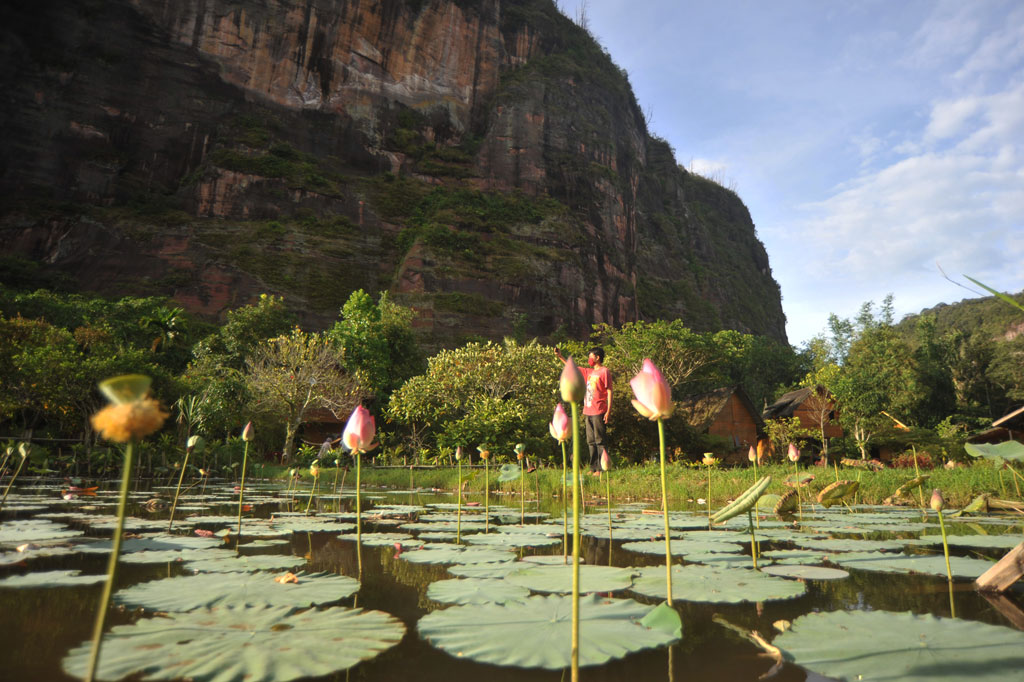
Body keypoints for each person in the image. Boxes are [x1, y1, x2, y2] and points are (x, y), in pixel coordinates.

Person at [556, 347, 612, 475]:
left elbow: (609, 391)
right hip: (588, 411)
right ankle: (593, 467)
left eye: (591, 356)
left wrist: (608, 411)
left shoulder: (605, 371)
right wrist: (560, 356)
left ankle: (601, 468)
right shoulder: (588, 372)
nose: (589, 359)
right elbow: (572, 368)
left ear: (597, 358)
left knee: (600, 440)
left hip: (599, 410)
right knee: (591, 441)